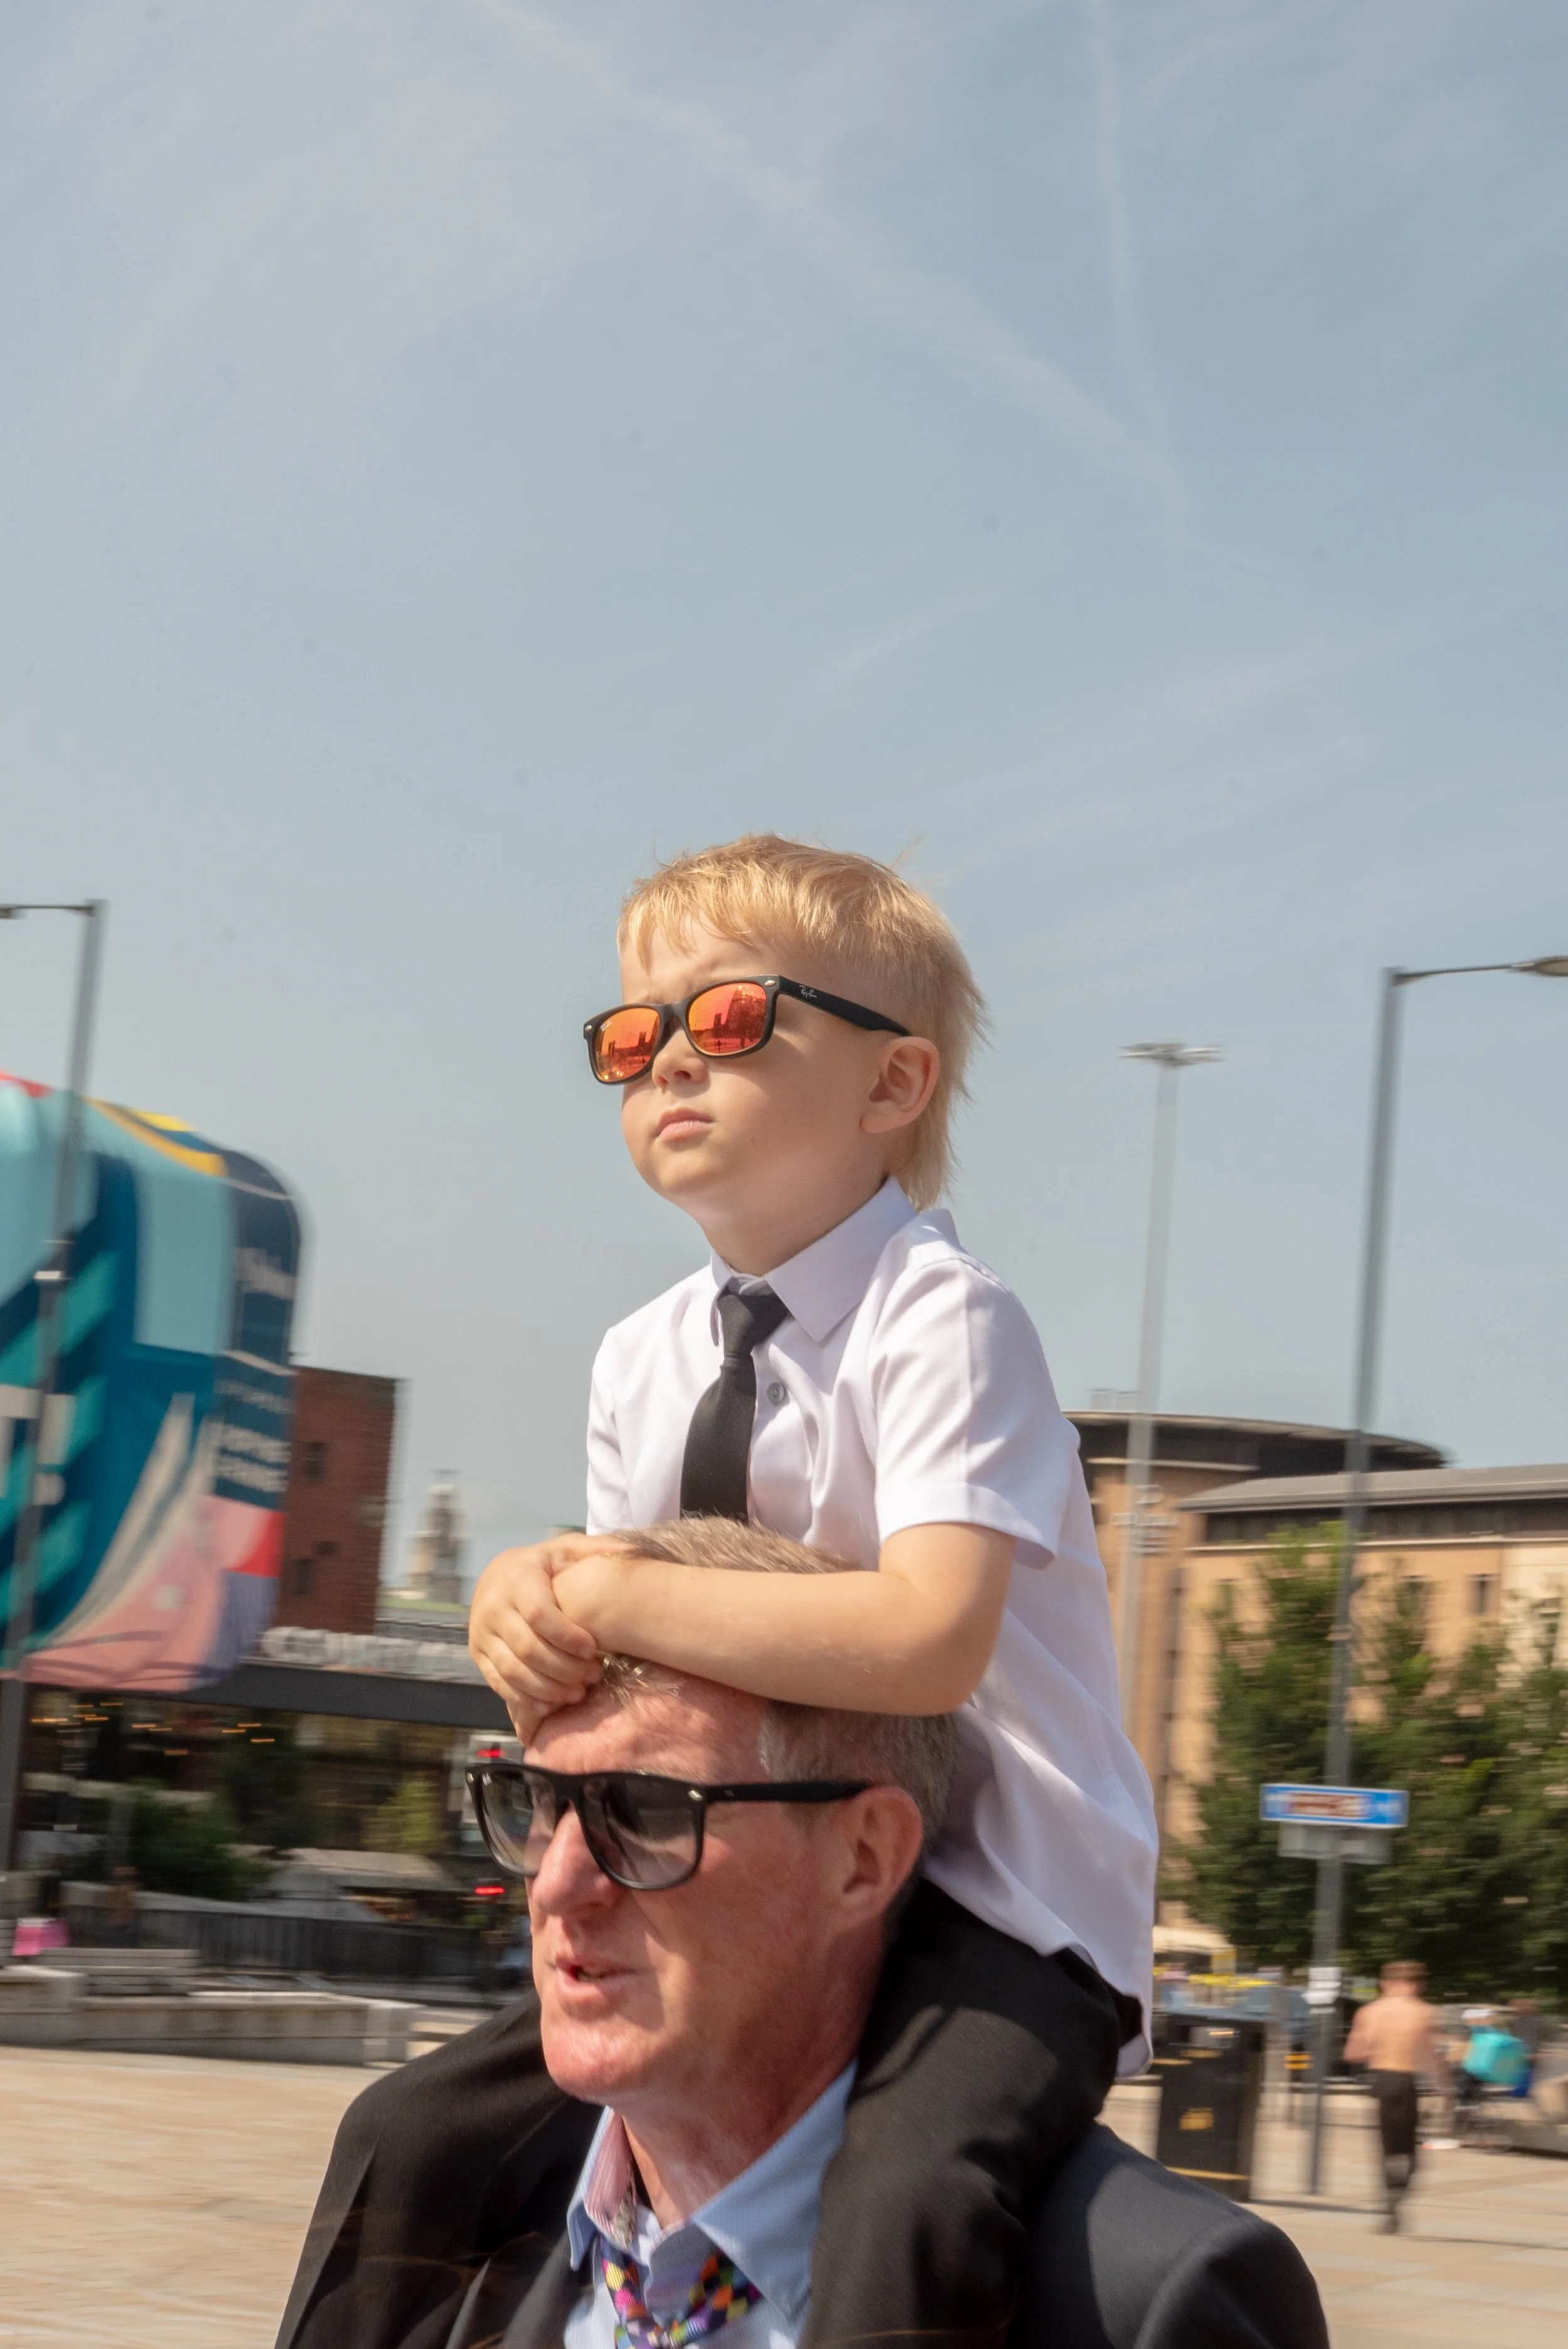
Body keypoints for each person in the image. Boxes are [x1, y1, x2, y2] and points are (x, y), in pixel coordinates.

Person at [467, 835, 1158, 2349]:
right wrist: (521, 1608)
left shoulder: (945, 1321)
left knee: (914, 2194)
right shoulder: (637, 1356)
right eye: (633, 1038)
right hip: (761, 1895)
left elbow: (924, 1638)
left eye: (725, 1022)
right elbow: (626, 1678)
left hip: (995, 1910)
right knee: (415, 2135)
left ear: (893, 1085)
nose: (665, 1066)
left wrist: (608, 1595)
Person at [278, 1527, 1327, 2349]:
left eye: (645, 1812)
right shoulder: (432, 2231)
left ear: (864, 1859)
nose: (559, 1882)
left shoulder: (1148, 2305)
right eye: (535, 1804)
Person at [1342, 1962, 1446, 2230]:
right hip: (1405, 2081)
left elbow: (1353, 2054)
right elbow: (1432, 2057)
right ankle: (1398, 2195)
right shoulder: (1423, 2012)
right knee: (1410, 2150)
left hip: (1380, 2081)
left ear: (1386, 1982)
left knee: (1386, 2149)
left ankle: (1387, 2201)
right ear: (1416, 1983)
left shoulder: (1368, 2012)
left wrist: (1376, 2047)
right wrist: (1445, 2087)